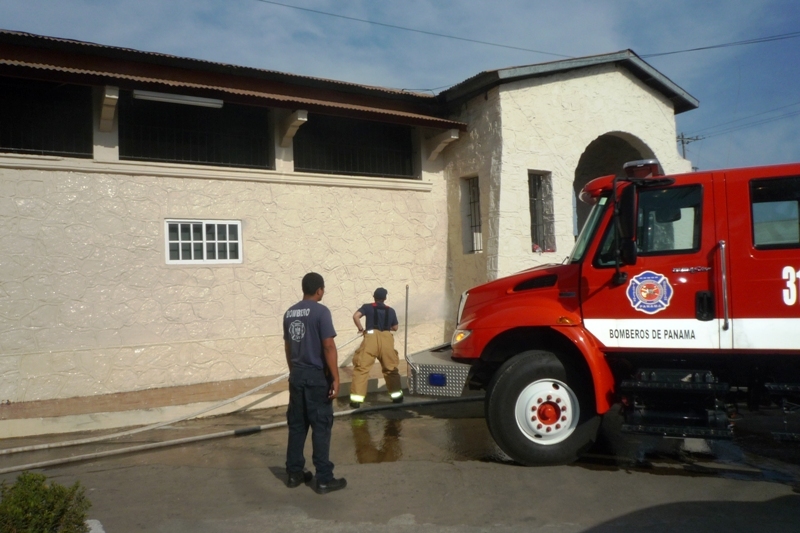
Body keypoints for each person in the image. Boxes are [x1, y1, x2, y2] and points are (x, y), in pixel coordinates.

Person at [283, 272, 347, 494]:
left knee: (297, 425)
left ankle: (294, 474)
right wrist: (336, 378)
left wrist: (294, 372)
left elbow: (288, 347)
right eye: (323, 289)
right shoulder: (321, 312)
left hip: (297, 375)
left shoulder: (289, 313)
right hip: (316, 377)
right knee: (321, 426)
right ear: (319, 290)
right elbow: (328, 346)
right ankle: (324, 478)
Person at [349, 287, 403, 408]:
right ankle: (397, 398)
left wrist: (361, 329)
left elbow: (356, 316)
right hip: (387, 339)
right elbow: (395, 328)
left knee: (362, 368)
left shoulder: (367, 307)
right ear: (385, 298)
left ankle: (356, 401)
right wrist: (386, 327)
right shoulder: (391, 310)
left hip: (371, 339)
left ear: (374, 297)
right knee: (391, 369)